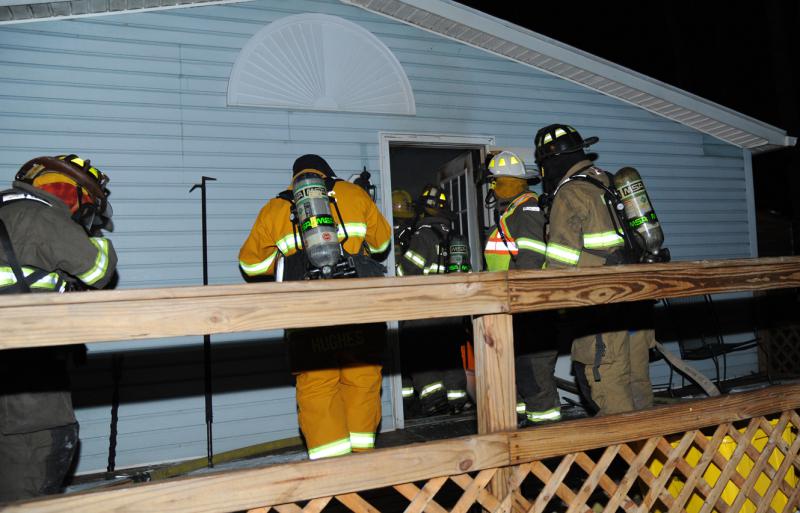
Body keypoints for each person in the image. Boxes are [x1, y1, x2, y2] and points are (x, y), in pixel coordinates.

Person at [238, 154, 392, 460]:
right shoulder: (353, 194)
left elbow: (250, 265)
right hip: (358, 310)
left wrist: (286, 260)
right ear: (328, 175)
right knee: (362, 380)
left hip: (308, 315)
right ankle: (363, 462)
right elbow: (382, 245)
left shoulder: (276, 208)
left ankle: (331, 468)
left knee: (317, 386)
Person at [0, 154, 117, 502]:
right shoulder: (41, 216)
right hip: (23, 378)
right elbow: (98, 269)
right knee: (33, 466)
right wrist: (95, 241)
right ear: (73, 193)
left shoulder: (7, 214)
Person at [534, 124, 654, 415]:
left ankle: (625, 455)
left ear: (549, 162)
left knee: (607, 384)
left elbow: (560, 264)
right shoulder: (611, 182)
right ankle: (652, 453)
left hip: (601, 312)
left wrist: (549, 307)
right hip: (637, 305)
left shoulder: (571, 193)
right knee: (638, 382)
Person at [482, 151, 561, 425]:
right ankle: (520, 431)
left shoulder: (526, 208)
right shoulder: (513, 210)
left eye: (495, 182)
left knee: (535, 374)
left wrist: (520, 295)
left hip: (530, 307)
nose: (493, 188)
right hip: (516, 307)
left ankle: (547, 439)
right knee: (520, 372)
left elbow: (530, 258)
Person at [395, 184, 469, 416]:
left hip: (425, 312)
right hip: (453, 314)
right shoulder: (455, 238)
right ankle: (458, 399)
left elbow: (406, 273)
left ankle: (435, 401)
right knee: (448, 356)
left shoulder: (423, 235)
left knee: (422, 357)